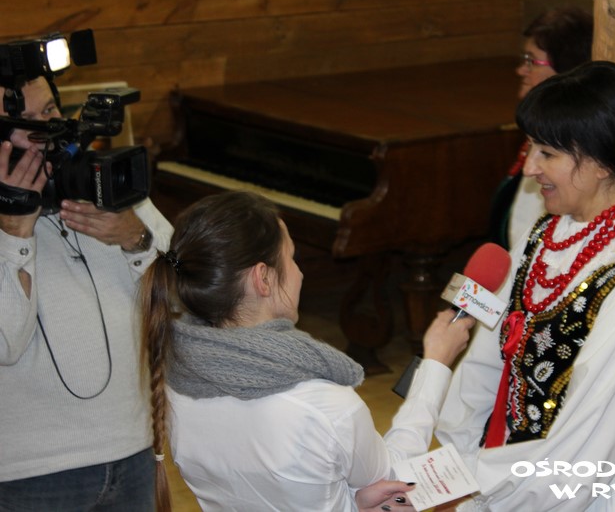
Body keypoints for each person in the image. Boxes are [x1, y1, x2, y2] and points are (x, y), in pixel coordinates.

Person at [435, 61, 615, 511]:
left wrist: (474, 481)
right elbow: (484, 363)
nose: (529, 167)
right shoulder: (546, 234)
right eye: (531, 148)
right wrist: (454, 466)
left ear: (601, 163)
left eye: (547, 153)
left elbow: (580, 457)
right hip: (502, 476)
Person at [139, 190, 475, 512]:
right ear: (263, 278)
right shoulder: (325, 406)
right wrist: (435, 365)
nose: (300, 273)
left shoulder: (175, 386)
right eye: (292, 258)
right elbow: (393, 479)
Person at [0, 75, 173, 510]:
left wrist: (137, 238)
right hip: (29, 475)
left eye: (49, 112)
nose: (45, 132)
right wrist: (14, 232)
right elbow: (5, 343)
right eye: (22, 121)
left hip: (132, 450)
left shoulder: (108, 183)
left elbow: (186, 301)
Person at [490, 7, 593, 250]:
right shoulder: (540, 132)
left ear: (566, 69)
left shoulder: (571, 152)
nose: (521, 70)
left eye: (531, 61)